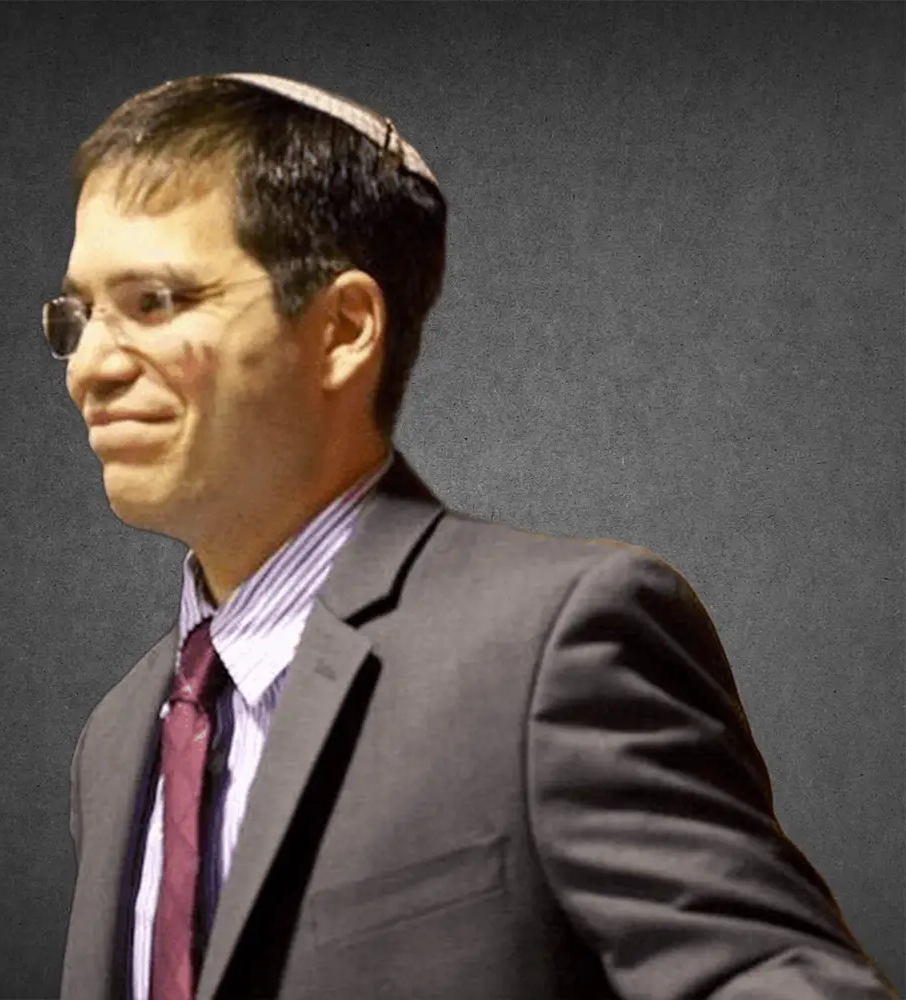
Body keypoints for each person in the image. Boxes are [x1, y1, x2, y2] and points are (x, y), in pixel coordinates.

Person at [52, 73, 896, 1000]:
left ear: (343, 329)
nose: (89, 367)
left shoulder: (552, 645)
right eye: (76, 317)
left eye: (155, 301)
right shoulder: (115, 739)